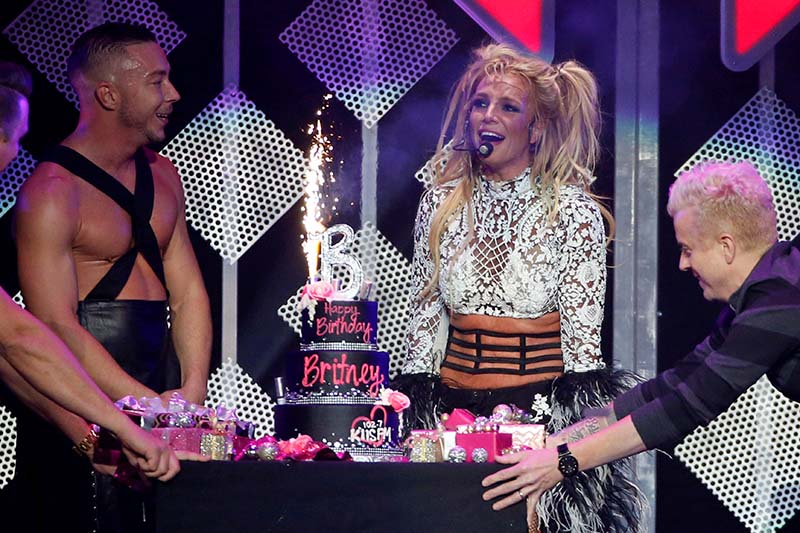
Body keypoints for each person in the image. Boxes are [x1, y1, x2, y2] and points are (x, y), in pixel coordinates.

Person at [399, 43, 642, 532]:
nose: (489, 115)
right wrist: (417, 424)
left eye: (508, 106)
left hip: (538, 426)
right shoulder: (440, 206)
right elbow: (425, 327)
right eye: (480, 102)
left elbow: (582, 355)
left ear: (535, 128)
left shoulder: (572, 215)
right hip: (453, 421)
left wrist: (570, 450)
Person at [482, 160, 794, 530]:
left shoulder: (779, 301)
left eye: (688, 249)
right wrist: (552, 440)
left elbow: (686, 408)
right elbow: (677, 383)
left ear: (726, 246)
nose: (681, 263)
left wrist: (562, 462)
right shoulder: (763, 295)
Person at [12, 22, 211, 532]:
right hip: (81, 397)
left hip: (157, 384)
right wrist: (136, 405)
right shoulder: (53, 191)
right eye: (156, 80)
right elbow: (52, 325)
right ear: (108, 93)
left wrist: (189, 391)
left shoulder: (164, 173)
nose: (173, 94)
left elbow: (186, 291)